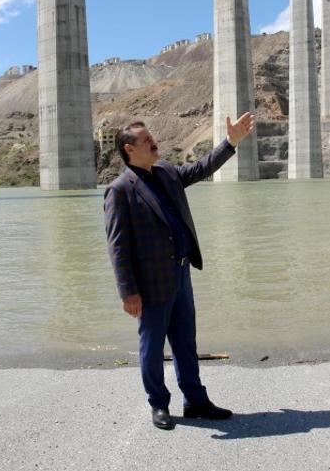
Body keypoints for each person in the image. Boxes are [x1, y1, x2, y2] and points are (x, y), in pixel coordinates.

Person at [104, 112, 255, 430]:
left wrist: (231, 142)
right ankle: (159, 404)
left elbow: (201, 168)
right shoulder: (120, 190)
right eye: (146, 139)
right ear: (130, 149)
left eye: (151, 137)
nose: (153, 141)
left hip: (182, 275)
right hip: (150, 285)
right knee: (152, 347)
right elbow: (118, 248)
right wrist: (127, 292)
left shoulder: (166, 172)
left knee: (186, 343)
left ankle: (196, 402)